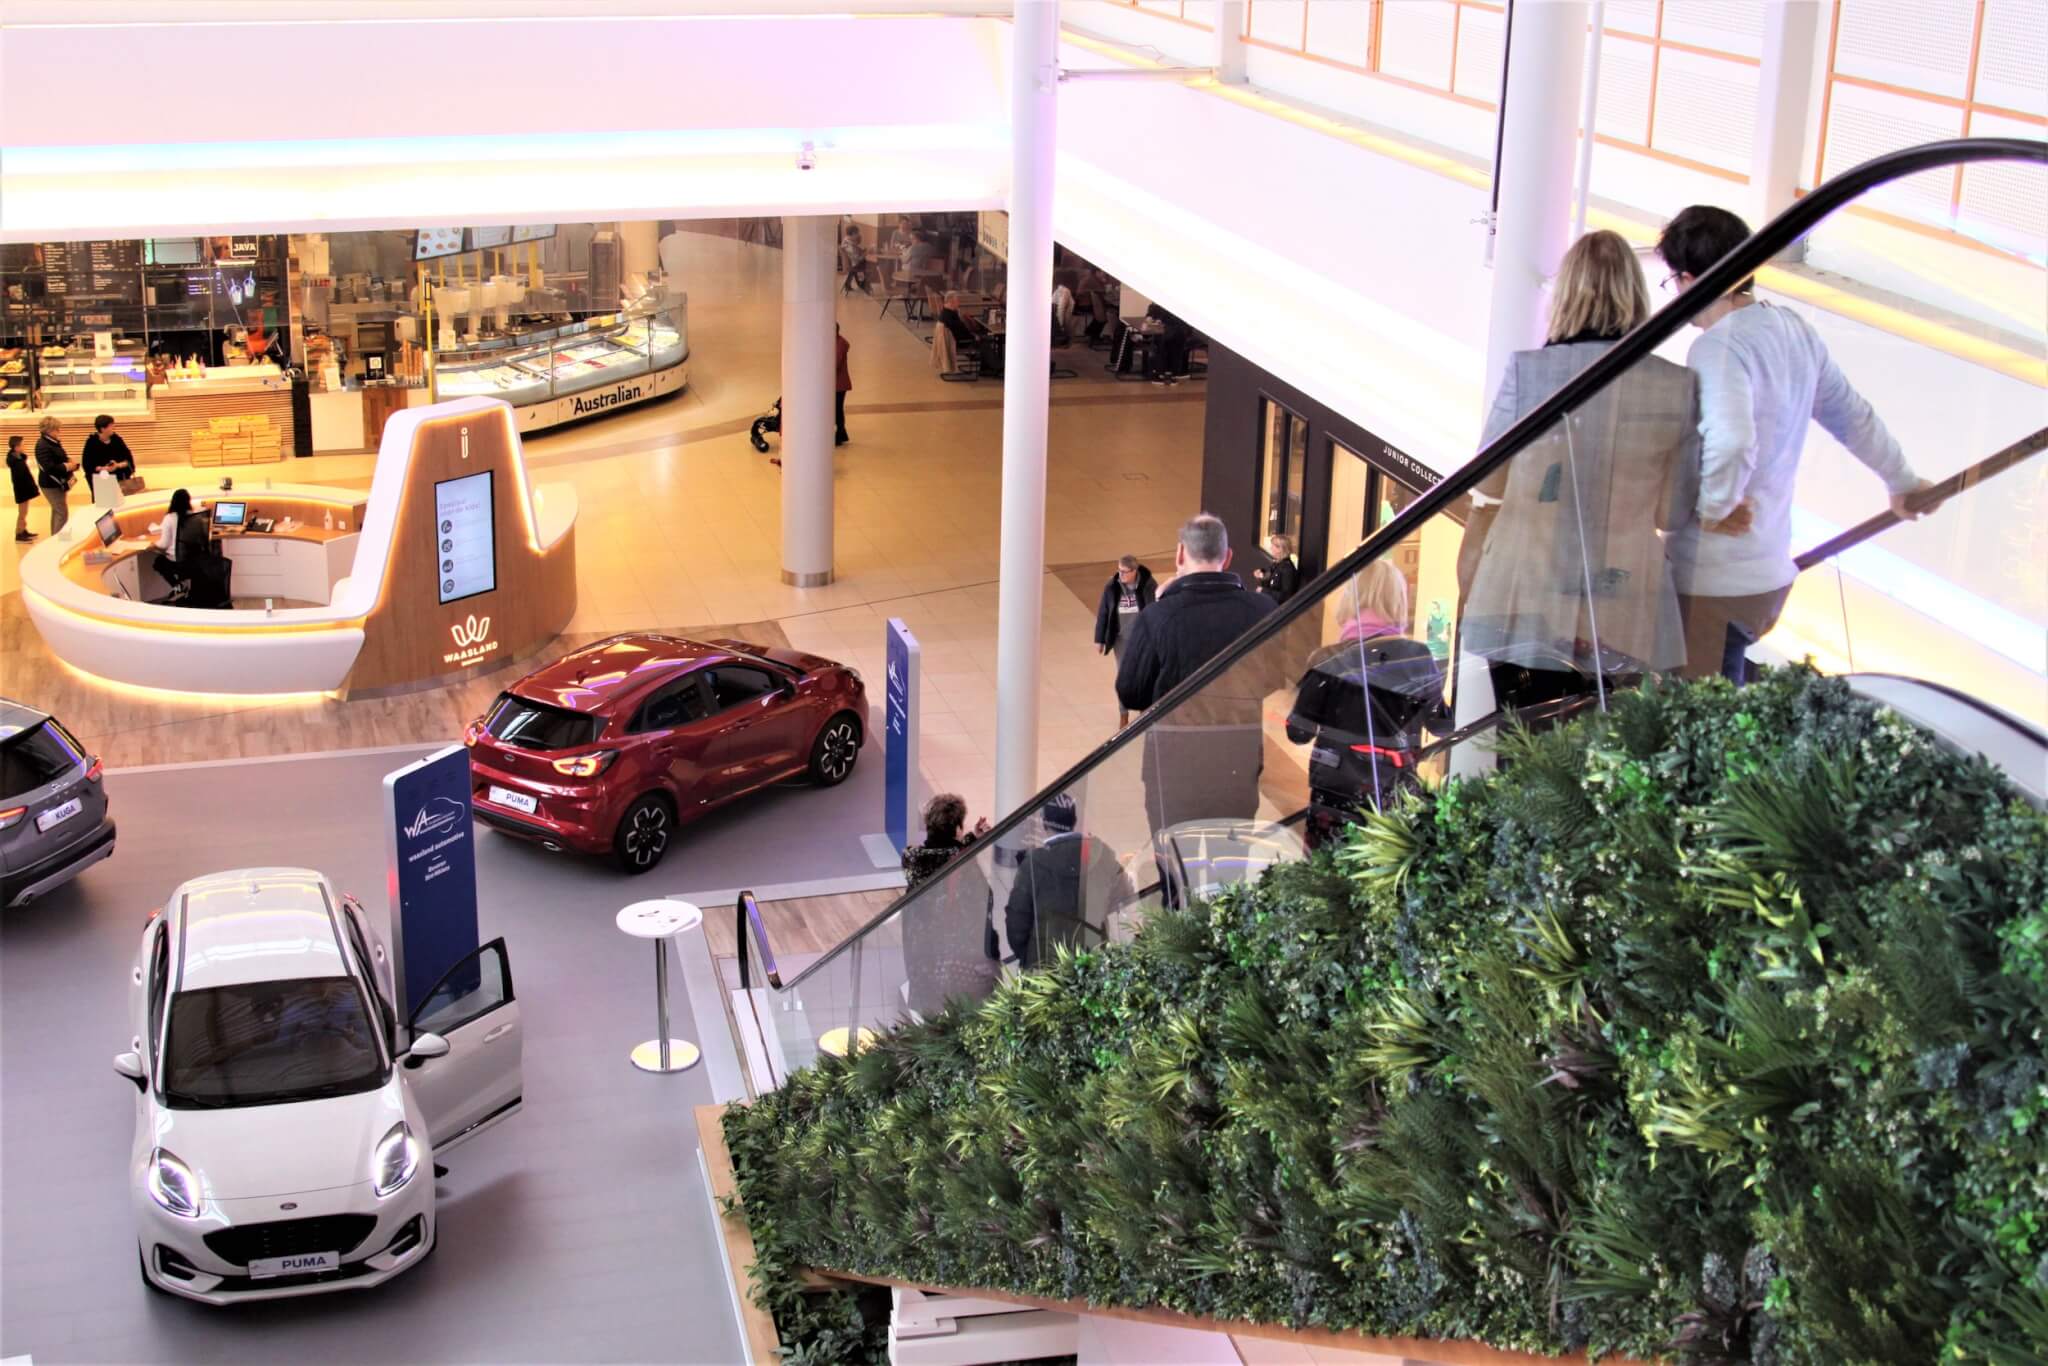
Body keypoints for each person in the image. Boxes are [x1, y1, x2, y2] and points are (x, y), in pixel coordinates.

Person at [1656, 205, 1929, 683]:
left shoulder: (1718, 347)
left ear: (1689, 279)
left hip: (1712, 581)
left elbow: (1734, 439)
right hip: (1768, 575)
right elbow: (1852, 416)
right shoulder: (1794, 330)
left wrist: (1713, 507)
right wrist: (1901, 479)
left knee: (1695, 734)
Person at [1458, 229, 1699, 725]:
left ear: (1564, 294)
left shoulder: (1530, 373)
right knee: (1603, 759)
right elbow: (1671, 512)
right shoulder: (1677, 386)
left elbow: (1490, 482)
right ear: (1636, 295)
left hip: (1524, 599)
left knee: (1526, 750)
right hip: (1626, 607)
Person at [1116, 513, 1280, 828]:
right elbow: (1272, 678)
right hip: (1238, 757)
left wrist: (1163, 606)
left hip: (1173, 761)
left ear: (1180, 554)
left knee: (1173, 857)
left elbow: (1131, 691)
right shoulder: (1264, 611)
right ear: (1228, 557)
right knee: (1231, 865)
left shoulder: (1159, 616)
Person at [1286, 561, 1448, 847]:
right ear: (1398, 601)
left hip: (1336, 792)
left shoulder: (1326, 659)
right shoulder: (1418, 657)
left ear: (1351, 600)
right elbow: (1443, 725)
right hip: (1396, 790)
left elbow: (1298, 733)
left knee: (1330, 875)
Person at [1003, 794, 1131, 971]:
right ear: (1074, 820)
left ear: (1044, 822)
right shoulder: (1100, 854)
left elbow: (1017, 923)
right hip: (1092, 957)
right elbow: (1124, 896)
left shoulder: (1032, 864)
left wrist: (1028, 957)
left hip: (1046, 963)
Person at [900, 794, 999, 1014]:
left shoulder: (913, 858)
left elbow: (943, 854)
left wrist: (972, 838)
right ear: (956, 828)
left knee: (930, 1010)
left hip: (922, 952)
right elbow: (982, 904)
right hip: (952, 957)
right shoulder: (964, 867)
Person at [1094, 555, 1158, 727]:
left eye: (1124, 572)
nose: (1120, 575)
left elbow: (1155, 611)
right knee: (1124, 676)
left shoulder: (1148, 585)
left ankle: (1144, 711)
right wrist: (1099, 639)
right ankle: (1123, 713)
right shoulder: (1112, 586)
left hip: (1142, 639)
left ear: (1134, 571)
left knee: (1144, 674)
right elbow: (1103, 612)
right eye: (1119, 570)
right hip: (1121, 640)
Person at [33, 416, 73, 537]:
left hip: (56, 483)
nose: (59, 431)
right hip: (50, 484)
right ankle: (58, 541)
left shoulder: (51, 442)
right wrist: (68, 466)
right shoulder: (42, 445)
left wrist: (67, 460)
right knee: (62, 513)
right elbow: (49, 467)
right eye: (57, 429)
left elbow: (57, 457)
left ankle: (56, 537)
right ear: (50, 430)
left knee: (58, 511)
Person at [81, 414, 137, 492]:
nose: (114, 427)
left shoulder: (117, 440)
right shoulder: (91, 443)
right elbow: (87, 465)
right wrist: (105, 468)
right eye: (111, 425)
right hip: (102, 482)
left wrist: (117, 465)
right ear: (103, 428)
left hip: (121, 480)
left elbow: (128, 459)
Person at [1251, 534, 1299, 606]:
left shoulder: (1287, 569)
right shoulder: (1277, 564)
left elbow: (1286, 596)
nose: (1271, 548)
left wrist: (1264, 591)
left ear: (1280, 549)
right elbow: (1271, 577)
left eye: (1273, 546)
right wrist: (1261, 573)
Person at [8, 435, 36, 542]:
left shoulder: (19, 458)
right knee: (22, 512)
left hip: (24, 489)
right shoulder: (15, 460)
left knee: (24, 511)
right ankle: (19, 533)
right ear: (16, 447)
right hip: (21, 490)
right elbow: (20, 476)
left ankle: (23, 530)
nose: (24, 446)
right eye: (22, 445)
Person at [839, 222, 871, 295]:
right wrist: (867, 252)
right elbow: (857, 259)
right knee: (871, 264)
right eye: (857, 233)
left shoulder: (846, 239)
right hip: (855, 264)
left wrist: (862, 250)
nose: (858, 235)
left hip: (852, 263)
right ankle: (864, 284)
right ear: (853, 233)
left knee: (866, 261)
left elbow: (856, 249)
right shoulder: (849, 246)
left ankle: (853, 284)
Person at [834, 325, 852, 447]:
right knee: (836, 409)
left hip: (839, 384)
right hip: (836, 383)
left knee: (837, 409)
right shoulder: (834, 342)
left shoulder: (840, 344)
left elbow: (835, 363)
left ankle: (840, 433)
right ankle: (841, 432)